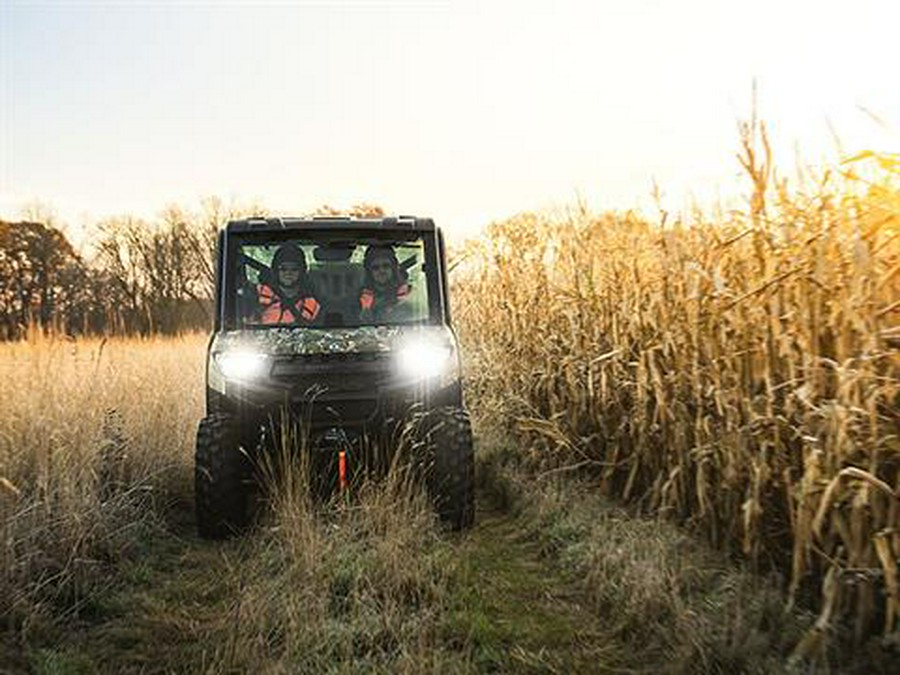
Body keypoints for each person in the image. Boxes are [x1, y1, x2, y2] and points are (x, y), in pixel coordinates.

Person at [257, 243, 320, 325]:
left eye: (294, 269)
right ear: (276, 271)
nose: (288, 273)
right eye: (283, 269)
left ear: (301, 272)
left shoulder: (312, 305)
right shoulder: (257, 295)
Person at [359, 244, 412, 323]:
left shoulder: (406, 294)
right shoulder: (360, 298)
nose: (381, 271)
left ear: (393, 268)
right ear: (369, 272)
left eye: (386, 266)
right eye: (375, 267)